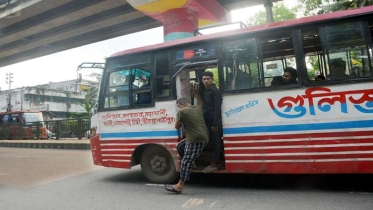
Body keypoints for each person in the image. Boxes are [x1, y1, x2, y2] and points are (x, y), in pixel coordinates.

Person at [164, 98, 209, 194]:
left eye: (179, 106)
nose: (178, 108)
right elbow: (201, 103)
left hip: (195, 139)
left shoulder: (182, 111)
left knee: (185, 161)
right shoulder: (197, 108)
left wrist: (180, 116)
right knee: (180, 146)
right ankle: (192, 163)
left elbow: (176, 126)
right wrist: (197, 94)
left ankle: (180, 186)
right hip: (203, 136)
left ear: (182, 104)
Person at [200, 71, 223, 173]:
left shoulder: (215, 91)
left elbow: (217, 109)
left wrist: (214, 122)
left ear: (212, 79)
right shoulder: (205, 91)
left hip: (215, 120)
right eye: (204, 79)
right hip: (208, 119)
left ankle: (214, 163)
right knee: (212, 141)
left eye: (208, 79)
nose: (206, 81)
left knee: (216, 141)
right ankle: (220, 160)